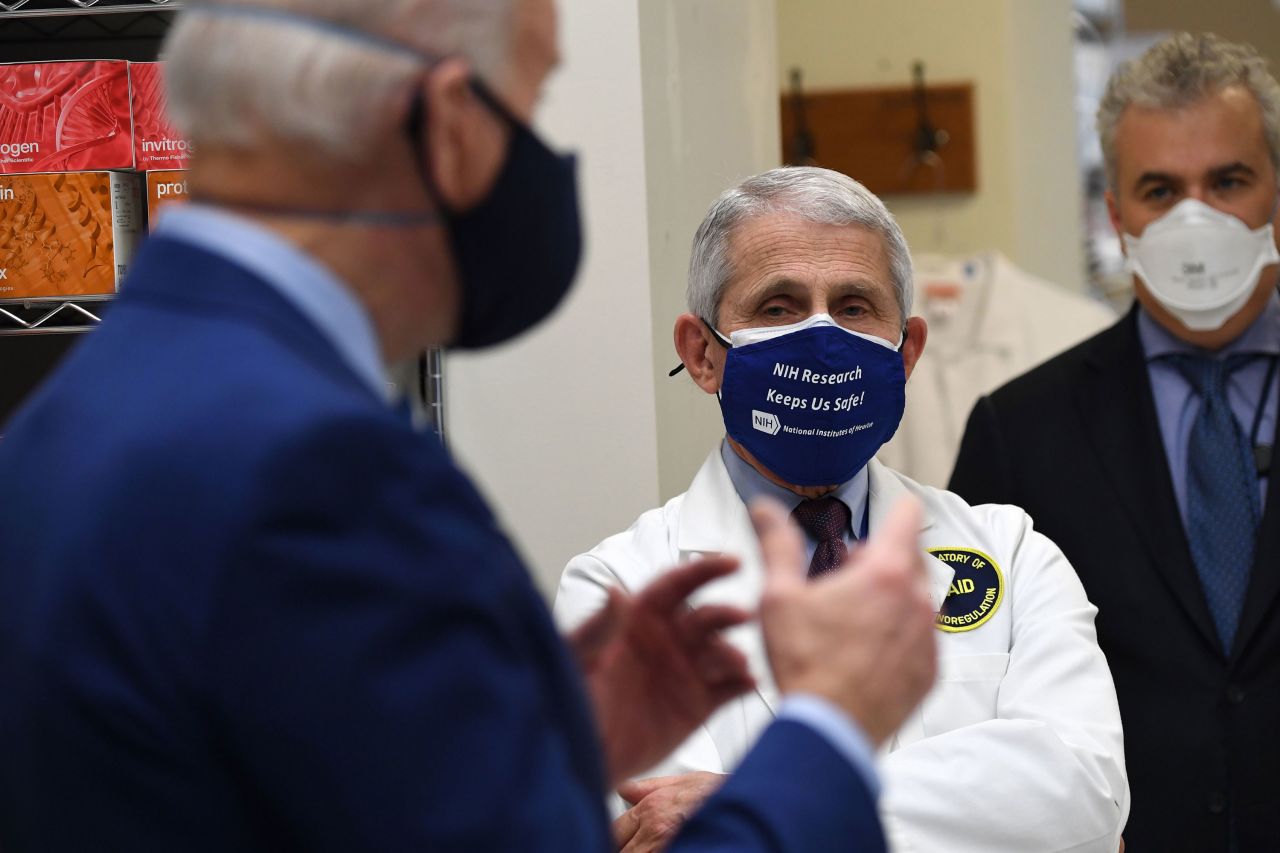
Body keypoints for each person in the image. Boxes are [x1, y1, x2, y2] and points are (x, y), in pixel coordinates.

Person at [0, 1, 945, 851]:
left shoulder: (72, 418)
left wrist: (550, 758)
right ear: (452, 124)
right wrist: (829, 728)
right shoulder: (318, 470)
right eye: (529, 109)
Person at [555, 166, 1130, 853]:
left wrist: (765, 805)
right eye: (779, 306)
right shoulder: (615, 591)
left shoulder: (1014, 553)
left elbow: (1082, 794)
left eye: (855, 306)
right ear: (703, 354)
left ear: (906, 351)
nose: (822, 337)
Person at [949, 33, 1280, 853]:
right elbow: (964, 686)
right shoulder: (1021, 431)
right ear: (1118, 215)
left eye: (1228, 181)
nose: (1193, 217)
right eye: (1160, 189)